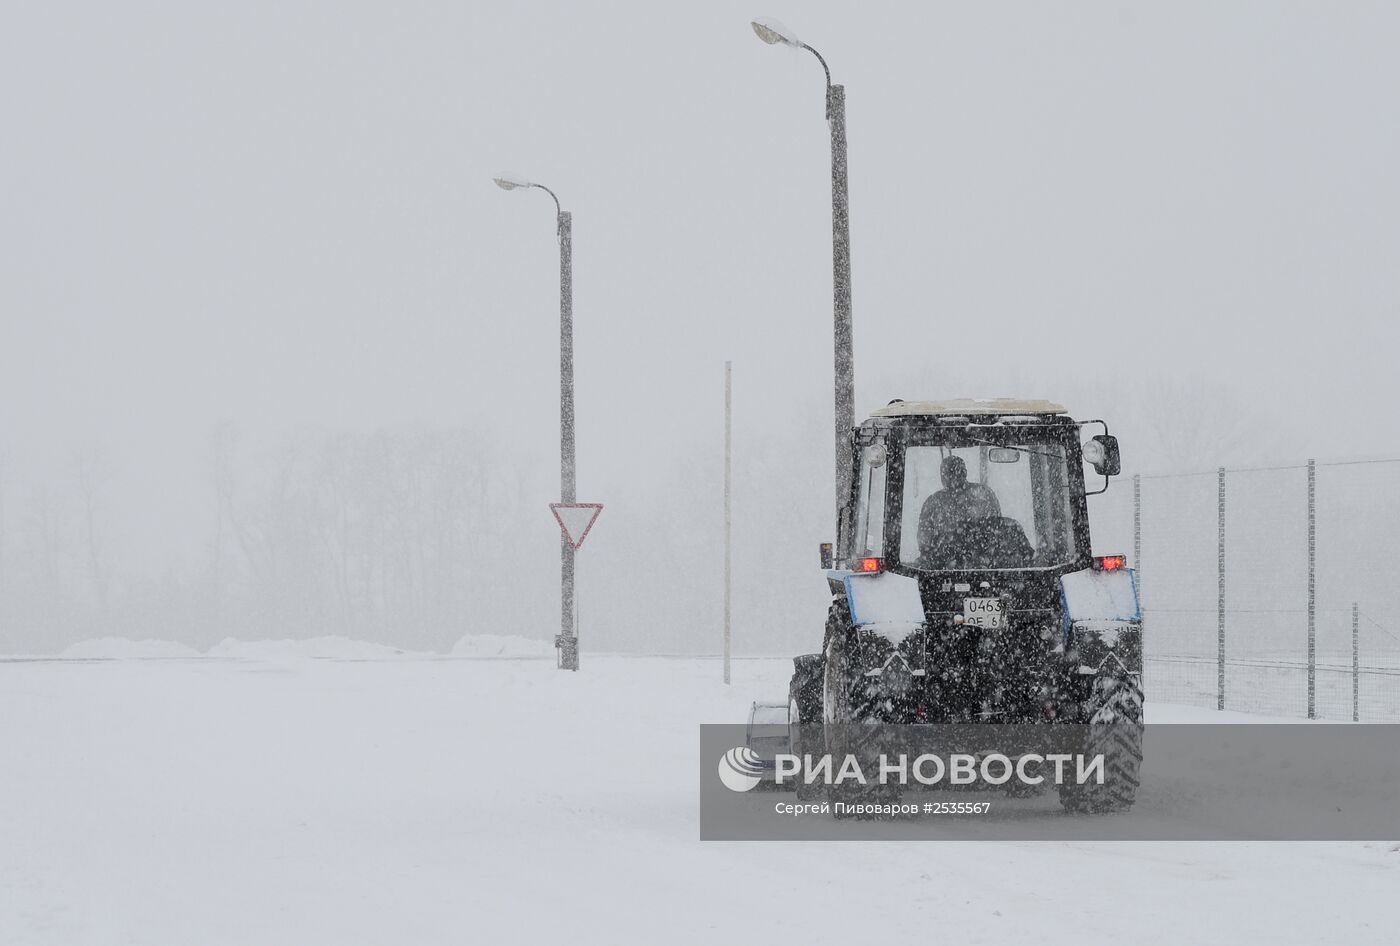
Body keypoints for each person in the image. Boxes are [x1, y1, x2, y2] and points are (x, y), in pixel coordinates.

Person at [918, 455, 1001, 558]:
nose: (950, 477)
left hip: (945, 566)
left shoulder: (933, 502)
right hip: (981, 563)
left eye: (948, 473)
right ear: (965, 472)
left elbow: (924, 544)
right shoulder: (983, 494)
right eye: (948, 473)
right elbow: (996, 530)